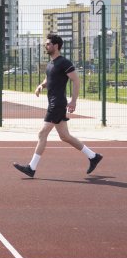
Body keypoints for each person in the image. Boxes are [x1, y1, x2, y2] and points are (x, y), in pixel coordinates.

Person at [14, 34, 103, 178]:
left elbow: (76, 81)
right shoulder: (51, 63)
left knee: (42, 133)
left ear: (56, 46)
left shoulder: (64, 63)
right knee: (65, 136)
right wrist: (41, 85)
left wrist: (73, 101)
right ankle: (93, 156)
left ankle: (31, 168)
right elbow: (49, 78)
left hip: (57, 104)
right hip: (53, 103)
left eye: (48, 44)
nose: (46, 45)